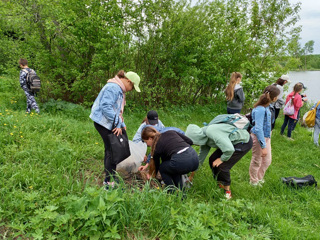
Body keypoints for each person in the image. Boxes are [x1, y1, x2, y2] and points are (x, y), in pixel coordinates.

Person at [90, 70, 141, 188]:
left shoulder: (119, 89)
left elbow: (116, 109)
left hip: (109, 122)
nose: (131, 90)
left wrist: (121, 123)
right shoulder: (113, 88)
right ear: (128, 81)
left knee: (111, 150)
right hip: (103, 122)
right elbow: (105, 106)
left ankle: (111, 177)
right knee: (111, 151)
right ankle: (108, 182)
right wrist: (117, 123)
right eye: (132, 87)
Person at [185, 120, 252, 199]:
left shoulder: (212, 133)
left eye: (193, 142)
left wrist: (222, 159)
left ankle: (227, 192)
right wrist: (191, 176)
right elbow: (200, 159)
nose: (194, 145)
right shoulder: (203, 137)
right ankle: (220, 184)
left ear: (196, 138)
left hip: (242, 142)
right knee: (212, 159)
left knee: (222, 166)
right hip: (229, 143)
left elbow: (229, 150)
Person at [141, 126, 199, 192]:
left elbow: (156, 166)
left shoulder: (156, 147)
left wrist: (151, 175)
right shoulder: (171, 132)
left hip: (183, 161)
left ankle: (172, 191)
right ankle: (181, 192)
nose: (147, 145)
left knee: (162, 168)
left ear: (150, 138)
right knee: (172, 168)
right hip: (195, 159)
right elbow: (190, 141)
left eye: (146, 142)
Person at [249, 85, 280, 186]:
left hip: (267, 136)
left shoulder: (269, 107)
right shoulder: (260, 109)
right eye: (278, 96)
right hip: (259, 137)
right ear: (274, 98)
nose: (278, 98)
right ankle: (253, 181)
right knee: (257, 160)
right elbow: (258, 129)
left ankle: (259, 178)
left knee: (267, 161)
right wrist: (263, 146)